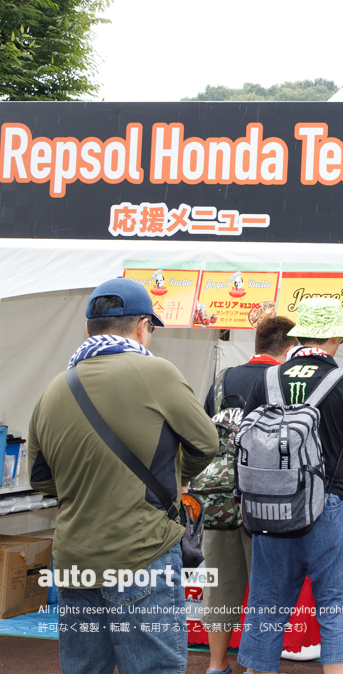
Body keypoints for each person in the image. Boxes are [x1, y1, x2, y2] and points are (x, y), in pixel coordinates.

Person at [27, 278, 219, 674]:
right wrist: (169, 480)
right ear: (142, 327)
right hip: (141, 553)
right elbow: (206, 443)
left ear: (87, 329)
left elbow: (40, 479)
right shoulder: (157, 373)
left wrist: (90, 484)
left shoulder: (53, 390)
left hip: (75, 561)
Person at [236, 298, 343, 674]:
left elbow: (245, 442)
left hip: (271, 510)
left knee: (266, 605)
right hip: (330, 507)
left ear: (298, 337)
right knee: (338, 606)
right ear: (334, 338)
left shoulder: (266, 379)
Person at [196, 315, 296, 674]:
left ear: (256, 343)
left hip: (219, 498)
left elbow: (205, 436)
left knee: (221, 583)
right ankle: (257, 666)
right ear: (290, 348)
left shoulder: (224, 380)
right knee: (265, 588)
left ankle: (216, 664)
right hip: (265, 502)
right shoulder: (284, 381)